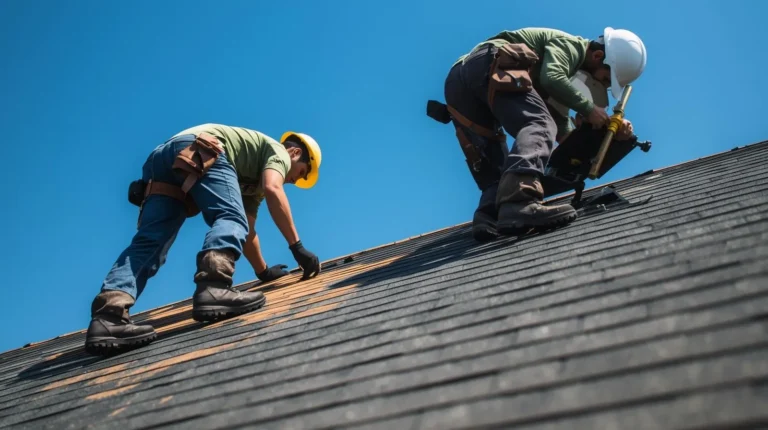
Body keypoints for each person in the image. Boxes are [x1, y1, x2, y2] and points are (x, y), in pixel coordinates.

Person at [84, 123, 323, 355]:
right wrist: (297, 246)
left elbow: (247, 230)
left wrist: (263, 272)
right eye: (301, 173)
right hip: (201, 147)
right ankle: (214, 286)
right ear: (295, 152)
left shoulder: (251, 182)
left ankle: (108, 316)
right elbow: (274, 189)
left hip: (163, 159)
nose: (294, 181)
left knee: (152, 240)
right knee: (229, 215)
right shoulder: (278, 152)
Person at [442, 27, 647, 241]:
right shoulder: (571, 46)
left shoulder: (540, 73)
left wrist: (607, 136)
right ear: (597, 56)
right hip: (489, 62)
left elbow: (560, 129)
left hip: (459, 81)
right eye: (605, 79)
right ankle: (519, 202)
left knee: (495, 154)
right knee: (538, 123)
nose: (601, 86)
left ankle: (489, 214)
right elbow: (552, 78)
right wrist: (588, 109)